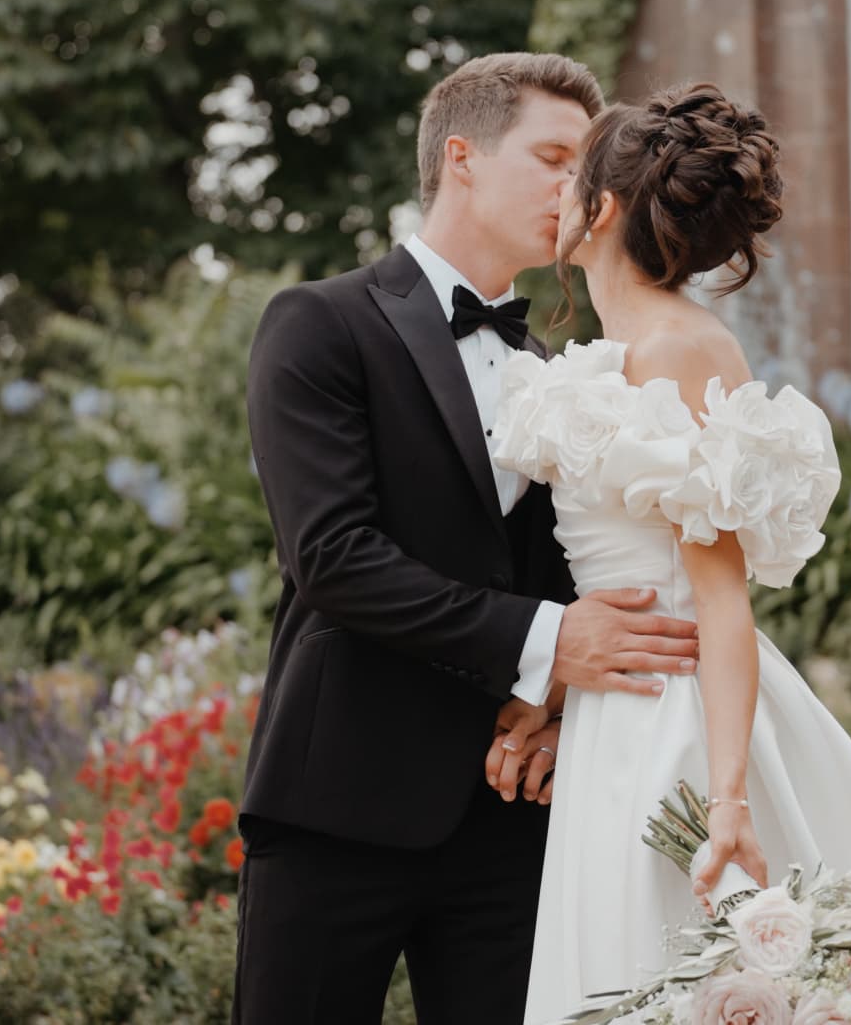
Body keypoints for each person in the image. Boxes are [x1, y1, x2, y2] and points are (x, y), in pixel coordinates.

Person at [485, 81, 851, 1024]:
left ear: (600, 211)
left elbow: (719, 599)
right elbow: (612, 581)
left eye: (571, 179)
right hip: (614, 715)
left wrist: (726, 801)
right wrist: (551, 694)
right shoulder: (613, 352)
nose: (555, 195)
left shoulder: (685, 349)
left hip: (681, 723)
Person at [233, 52, 703, 1025]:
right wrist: (550, 643)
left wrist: (560, 703)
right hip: (339, 804)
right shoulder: (319, 325)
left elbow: (570, 578)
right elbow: (331, 558)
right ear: (462, 157)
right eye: (554, 157)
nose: (580, 191)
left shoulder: (557, 373)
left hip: (510, 810)